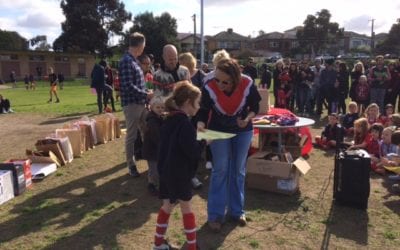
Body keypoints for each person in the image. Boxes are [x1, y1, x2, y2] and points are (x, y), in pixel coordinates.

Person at [197, 58, 261, 232]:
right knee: (220, 170)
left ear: (235, 80)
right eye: (217, 79)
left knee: (238, 170)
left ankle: (236, 210)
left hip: (243, 130)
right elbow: (203, 110)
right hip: (218, 131)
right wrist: (201, 124)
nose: (220, 84)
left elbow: (255, 105)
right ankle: (216, 214)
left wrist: (247, 118)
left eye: (225, 82)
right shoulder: (209, 86)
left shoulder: (247, 83)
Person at [153, 81, 205, 250]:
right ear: (188, 103)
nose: (199, 106)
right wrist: (204, 141)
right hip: (180, 174)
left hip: (166, 172)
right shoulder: (185, 124)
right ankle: (191, 247)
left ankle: (158, 245)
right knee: (186, 208)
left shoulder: (168, 119)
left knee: (167, 206)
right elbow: (194, 152)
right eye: (197, 103)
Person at [119, 32, 152, 177]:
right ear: (140, 45)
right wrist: (146, 94)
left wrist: (146, 91)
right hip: (132, 105)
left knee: (147, 130)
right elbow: (127, 86)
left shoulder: (134, 61)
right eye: (143, 45)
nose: (144, 48)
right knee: (131, 136)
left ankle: (148, 158)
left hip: (140, 103)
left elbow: (137, 84)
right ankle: (131, 165)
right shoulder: (127, 61)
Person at [142, 95, 165, 196]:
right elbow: (157, 136)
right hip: (151, 150)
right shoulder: (152, 121)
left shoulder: (158, 118)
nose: (160, 109)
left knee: (156, 168)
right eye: (158, 107)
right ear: (152, 107)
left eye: (162, 107)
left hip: (156, 150)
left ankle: (155, 183)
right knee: (154, 170)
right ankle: (152, 185)